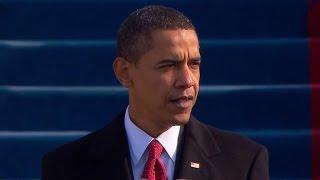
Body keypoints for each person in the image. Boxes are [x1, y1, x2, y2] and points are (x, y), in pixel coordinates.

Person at [41, 5, 269, 180]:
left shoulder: (243, 161)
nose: (188, 80)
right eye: (169, 66)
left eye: (194, 64)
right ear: (124, 72)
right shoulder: (66, 166)